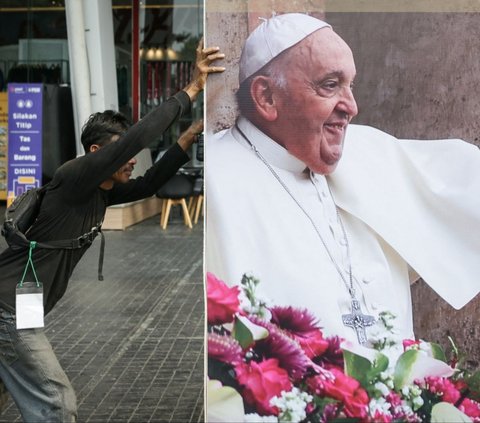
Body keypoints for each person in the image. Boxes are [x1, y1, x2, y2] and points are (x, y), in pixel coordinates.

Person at [206, 13, 480, 345]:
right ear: (266, 97)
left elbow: (462, 180)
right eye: (330, 85)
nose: (352, 106)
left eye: (351, 84)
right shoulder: (216, 177)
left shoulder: (367, 150)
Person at [0, 40, 224, 421]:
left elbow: (149, 183)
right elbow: (138, 138)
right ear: (95, 153)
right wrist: (192, 89)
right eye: (120, 154)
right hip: (8, 310)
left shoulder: (103, 193)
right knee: (57, 402)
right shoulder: (74, 178)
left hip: (24, 309)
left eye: (128, 155)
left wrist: (185, 140)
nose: (130, 160)